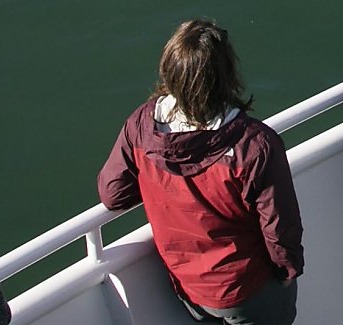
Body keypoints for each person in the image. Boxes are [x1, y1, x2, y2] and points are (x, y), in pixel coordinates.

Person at [97, 20, 304, 325]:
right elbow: (280, 225)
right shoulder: (255, 145)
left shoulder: (141, 126)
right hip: (249, 289)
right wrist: (287, 270)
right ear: (226, 76)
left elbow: (113, 194)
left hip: (189, 289)